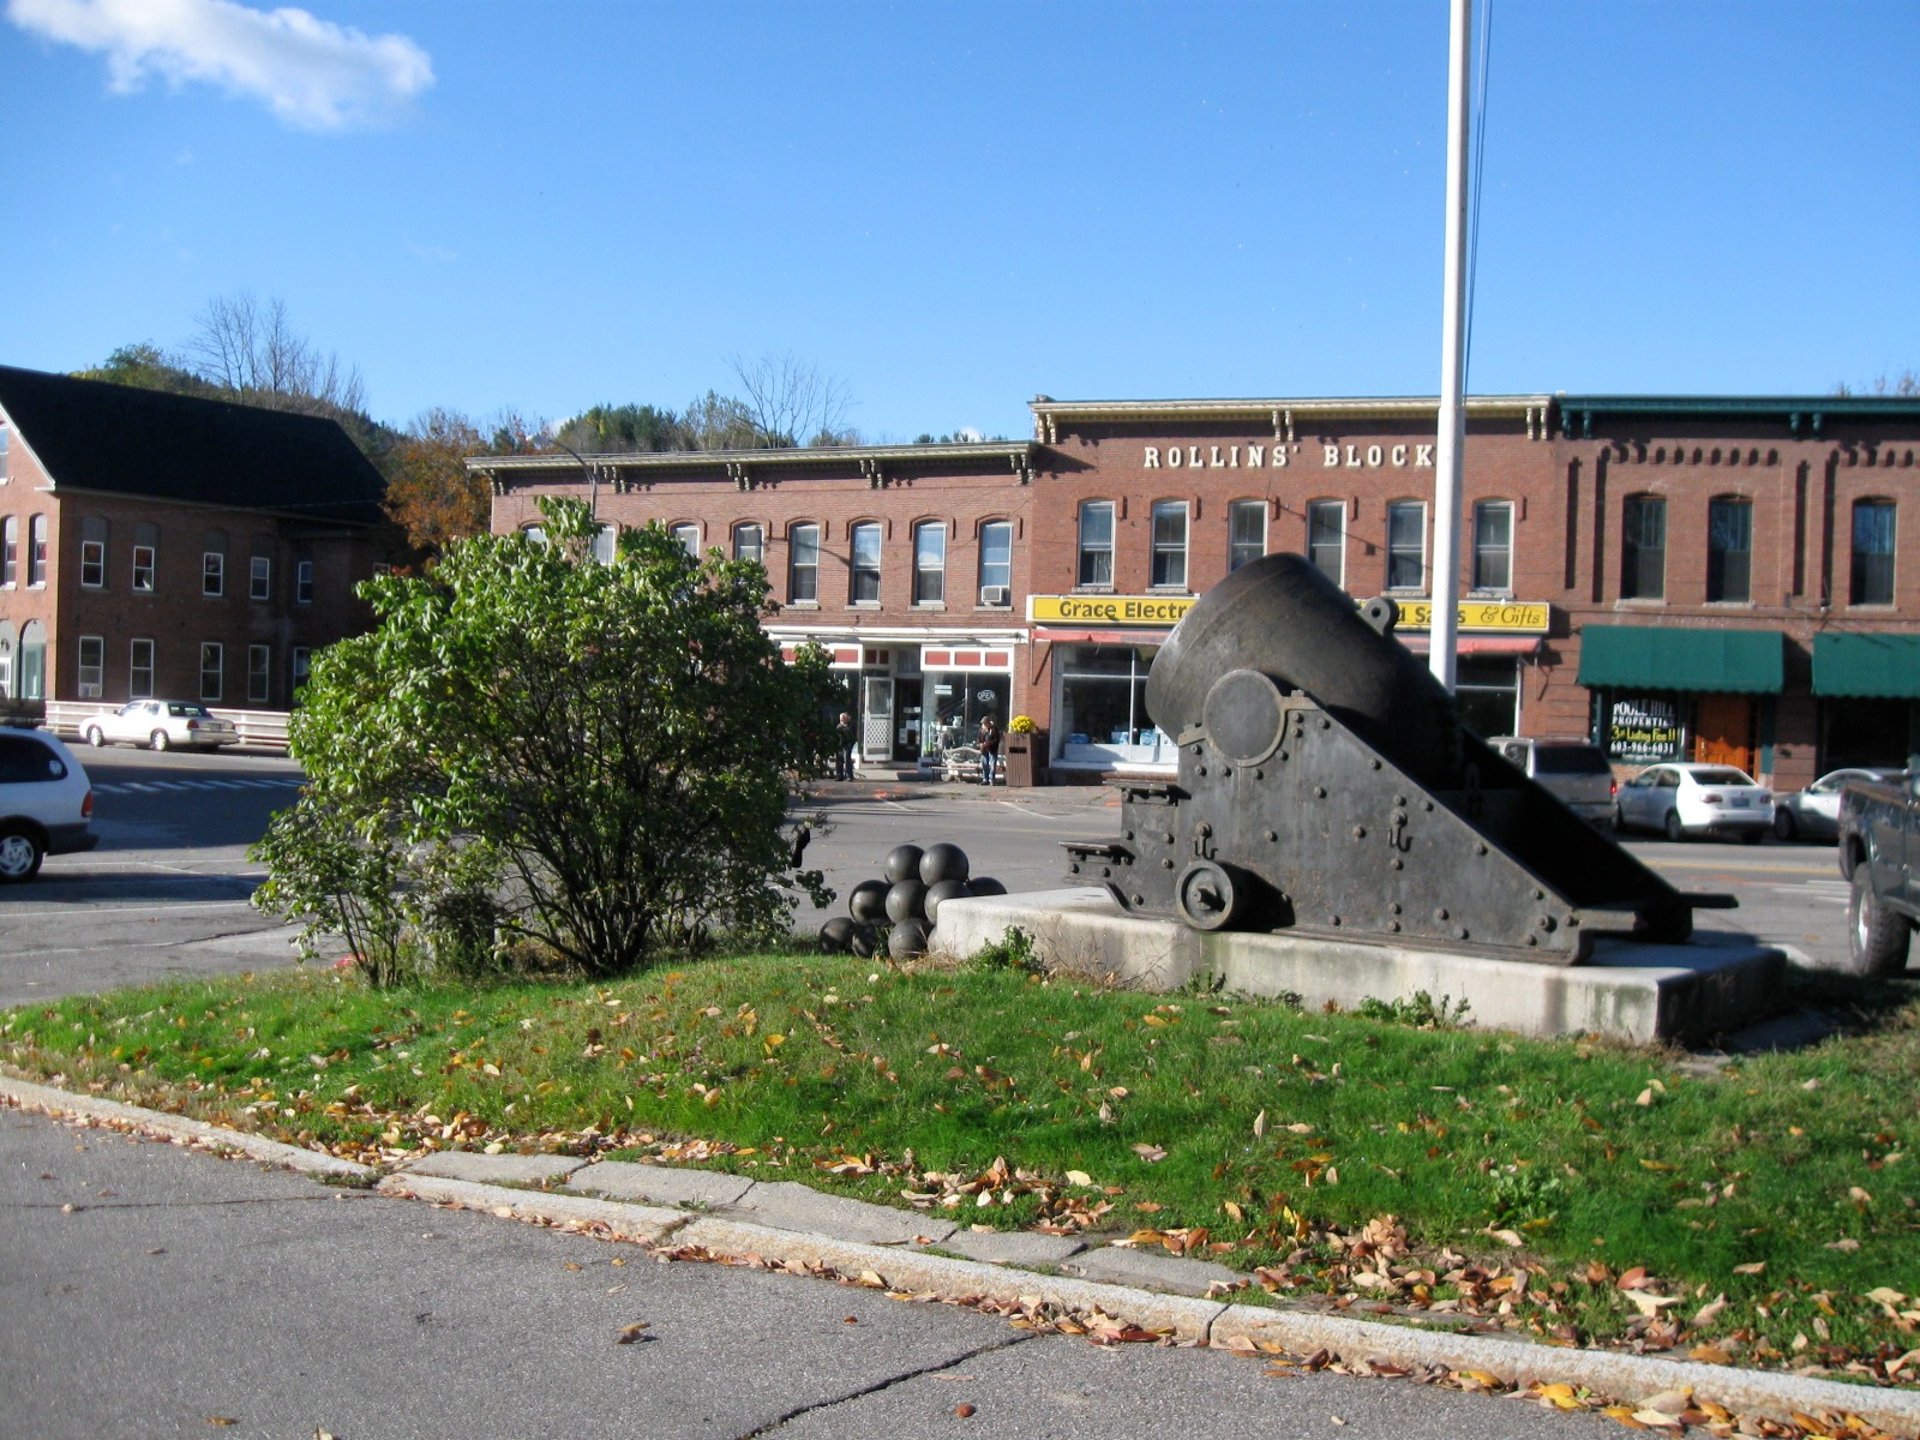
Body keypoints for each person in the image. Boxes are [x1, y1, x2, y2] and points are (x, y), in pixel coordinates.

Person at [976, 714, 1001, 786]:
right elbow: (979, 739)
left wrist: (986, 744)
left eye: (985, 723)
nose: (983, 725)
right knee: (985, 764)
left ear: (988, 723)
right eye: (983, 723)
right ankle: (985, 779)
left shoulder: (993, 729)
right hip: (984, 750)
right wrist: (979, 744)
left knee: (992, 765)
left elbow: (996, 740)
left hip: (992, 749)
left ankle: (992, 779)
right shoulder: (981, 730)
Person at [835, 712, 856, 781]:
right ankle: (839, 775)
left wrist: (851, 743)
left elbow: (853, 736)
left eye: (844, 718)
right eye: (841, 719)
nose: (842, 720)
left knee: (847, 759)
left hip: (848, 744)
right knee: (839, 759)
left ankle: (849, 775)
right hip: (840, 745)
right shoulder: (838, 727)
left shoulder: (850, 726)